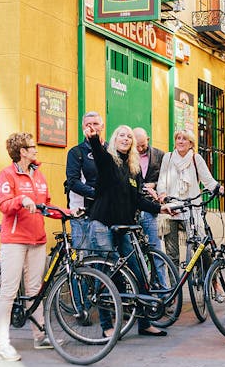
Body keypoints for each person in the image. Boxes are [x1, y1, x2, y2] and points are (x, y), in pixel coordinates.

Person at [85, 124, 174, 338]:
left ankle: (145, 323)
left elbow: (138, 200)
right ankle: (107, 325)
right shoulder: (108, 161)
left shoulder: (134, 168)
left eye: (129, 137)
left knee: (137, 270)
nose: (125, 139)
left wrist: (159, 207)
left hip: (124, 227)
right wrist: (95, 140)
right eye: (121, 135)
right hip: (103, 224)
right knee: (106, 274)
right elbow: (99, 156)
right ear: (115, 139)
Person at [0, 132, 54, 361]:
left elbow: (46, 205)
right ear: (23, 151)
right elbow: (4, 205)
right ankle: (2, 345)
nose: (36, 150)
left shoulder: (38, 174)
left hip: (37, 239)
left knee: (35, 290)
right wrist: (21, 200)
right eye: (32, 147)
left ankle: (40, 336)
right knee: (9, 292)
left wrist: (69, 213)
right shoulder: (7, 174)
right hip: (15, 241)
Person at [156, 129, 222, 270]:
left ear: (191, 143)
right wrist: (162, 195)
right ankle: (175, 288)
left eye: (184, 139)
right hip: (171, 209)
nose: (180, 141)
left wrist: (218, 188)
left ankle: (212, 280)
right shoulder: (168, 157)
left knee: (201, 248)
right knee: (171, 254)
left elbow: (208, 180)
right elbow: (161, 180)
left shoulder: (195, 158)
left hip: (192, 208)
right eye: (178, 138)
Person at [65, 112, 105, 249]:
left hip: (105, 212)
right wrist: (98, 194)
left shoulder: (111, 150)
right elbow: (73, 182)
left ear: (102, 126)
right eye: (88, 124)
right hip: (82, 213)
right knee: (84, 256)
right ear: (83, 127)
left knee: (105, 256)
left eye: (95, 124)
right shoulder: (76, 152)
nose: (92, 127)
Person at [132, 127, 165, 252]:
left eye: (143, 146)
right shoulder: (128, 156)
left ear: (148, 140)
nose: (140, 149)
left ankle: (159, 272)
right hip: (133, 206)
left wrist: (155, 185)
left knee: (155, 245)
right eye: (137, 146)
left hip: (151, 206)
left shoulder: (160, 155)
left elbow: (165, 179)